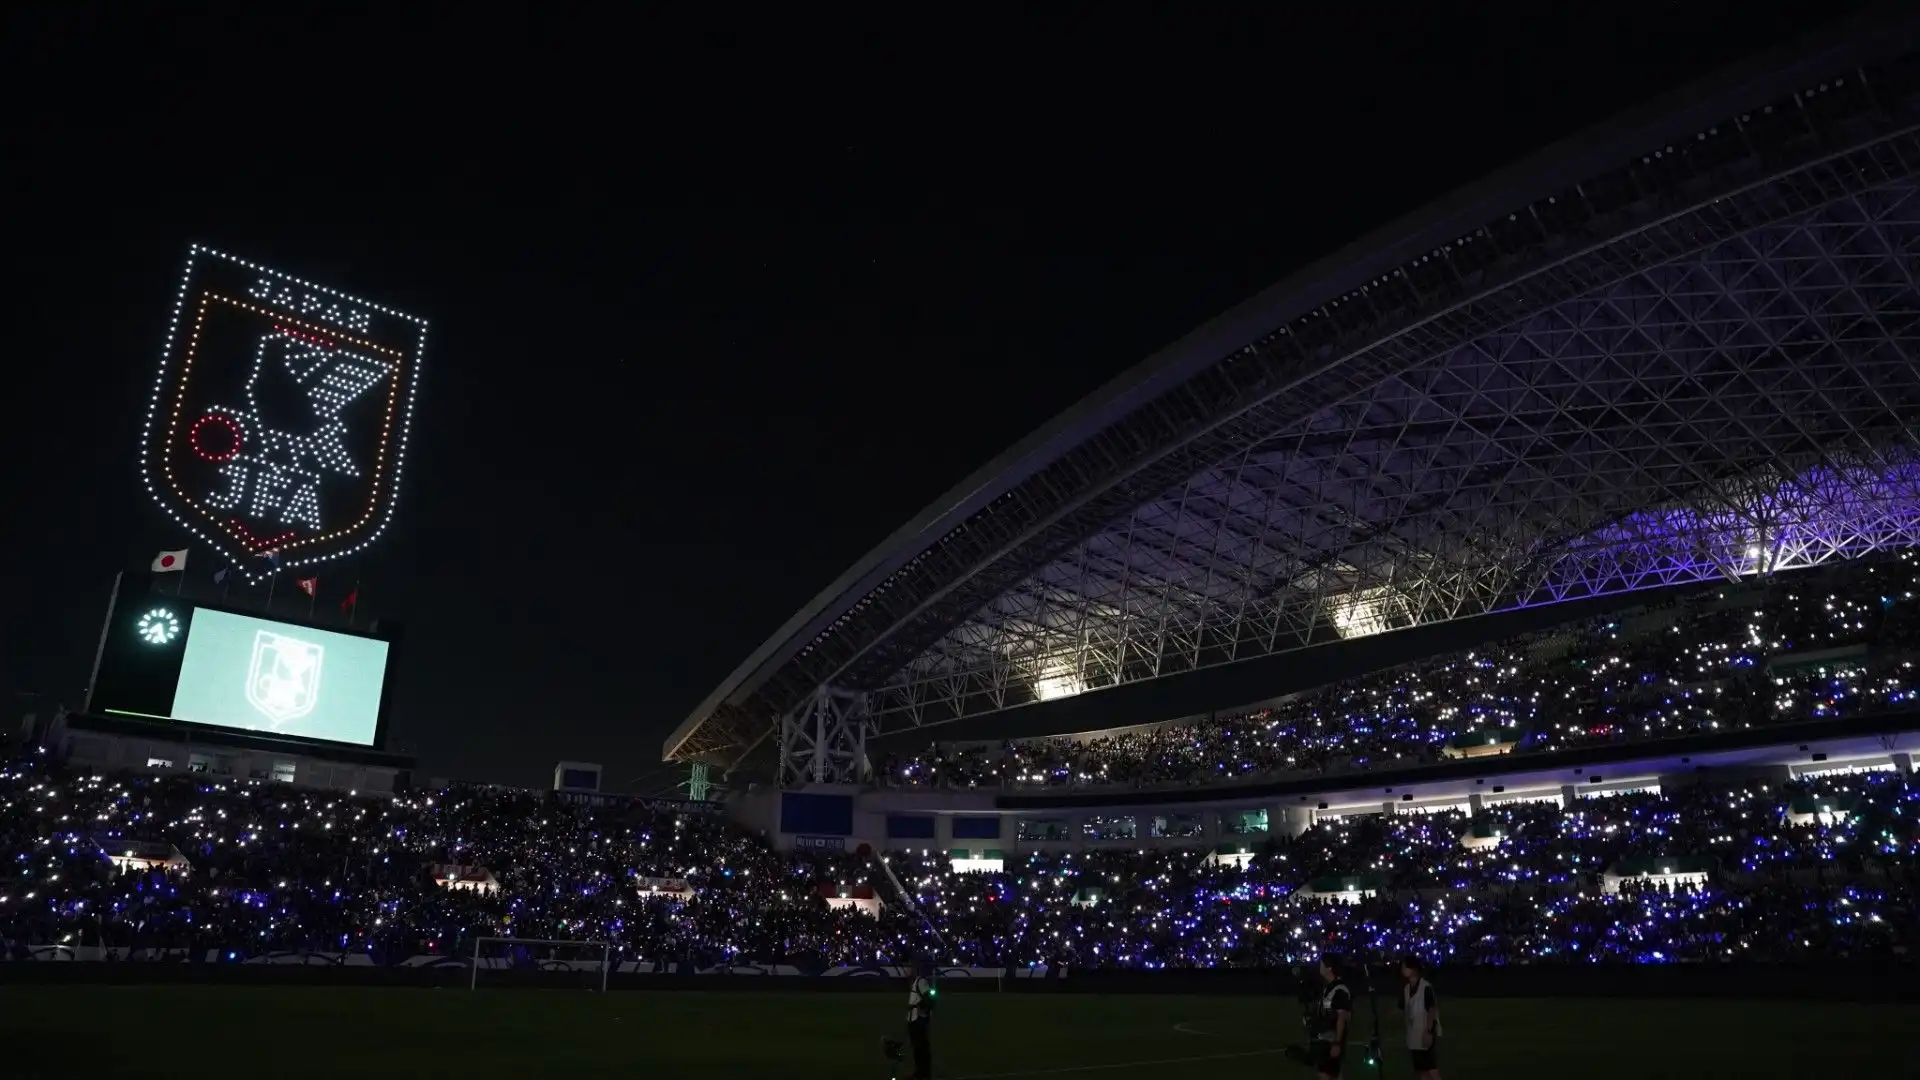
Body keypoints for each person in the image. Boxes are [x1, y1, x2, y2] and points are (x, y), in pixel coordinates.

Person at [1400, 954, 1442, 1080]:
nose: (1402, 970)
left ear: (1412, 969)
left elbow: (1431, 1010)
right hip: (1413, 1037)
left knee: (1432, 1070)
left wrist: (1429, 1032)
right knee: (1422, 1071)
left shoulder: (1425, 987)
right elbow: (1402, 1007)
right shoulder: (1407, 988)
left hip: (1424, 1034)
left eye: (1404, 967)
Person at [1312, 955, 1353, 1080]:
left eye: (1322, 964)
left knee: (1325, 1076)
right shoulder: (1329, 988)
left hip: (1332, 1041)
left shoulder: (1339, 989)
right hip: (1325, 1040)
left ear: (1329, 968)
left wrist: (1337, 1043)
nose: (1320, 967)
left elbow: (1342, 1018)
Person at [905, 958, 936, 1080]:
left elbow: (928, 998)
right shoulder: (919, 981)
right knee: (919, 1048)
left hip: (917, 1019)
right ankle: (920, 1073)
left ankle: (923, 1073)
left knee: (921, 1048)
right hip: (915, 1019)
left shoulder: (921, 981)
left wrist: (924, 1008)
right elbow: (928, 998)